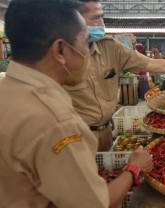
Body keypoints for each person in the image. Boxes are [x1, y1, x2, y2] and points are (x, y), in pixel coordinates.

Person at [0, 0, 153, 207]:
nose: (89, 51)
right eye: (86, 42)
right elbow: (95, 204)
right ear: (61, 50)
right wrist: (134, 168)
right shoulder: (56, 121)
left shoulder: (7, 91)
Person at [67, 0, 165, 151]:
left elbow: (151, 64)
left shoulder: (111, 47)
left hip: (106, 131)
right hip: (75, 137)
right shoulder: (60, 54)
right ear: (75, 20)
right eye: (96, 18)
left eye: (102, 17)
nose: (102, 24)